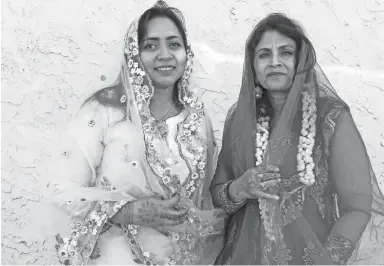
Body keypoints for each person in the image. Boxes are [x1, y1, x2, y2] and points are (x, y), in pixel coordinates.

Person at [48, 1, 225, 264]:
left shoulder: (197, 120)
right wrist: (127, 212)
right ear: (134, 54)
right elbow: (61, 189)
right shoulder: (106, 112)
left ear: (187, 54)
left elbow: (204, 197)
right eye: (150, 45)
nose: (164, 54)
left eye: (174, 44)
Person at [210, 13, 384, 265]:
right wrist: (240, 188)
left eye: (286, 53)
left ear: (300, 60)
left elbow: (357, 207)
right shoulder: (240, 118)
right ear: (252, 65)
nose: (274, 62)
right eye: (264, 54)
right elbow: (217, 194)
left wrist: (327, 260)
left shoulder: (330, 117)